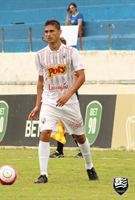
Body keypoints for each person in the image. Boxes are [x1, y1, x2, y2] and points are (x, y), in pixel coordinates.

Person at [28, 19, 98, 183]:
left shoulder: (71, 52)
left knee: (79, 136)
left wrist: (67, 95)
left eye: (52, 31)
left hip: (69, 101)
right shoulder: (40, 55)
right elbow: (40, 82)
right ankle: (43, 174)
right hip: (49, 101)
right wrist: (38, 105)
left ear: (60, 32)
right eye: (46, 32)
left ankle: (89, 166)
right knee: (45, 132)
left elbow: (81, 77)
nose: (49, 34)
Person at [41, 36, 83, 158]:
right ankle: (60, 151)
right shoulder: (50, 61)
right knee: (61, 125)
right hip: (55, 97)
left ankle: (80, 149)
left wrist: (68, 94)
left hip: (69, 97)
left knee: (72, 127)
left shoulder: (70, 61)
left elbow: (77, 78)